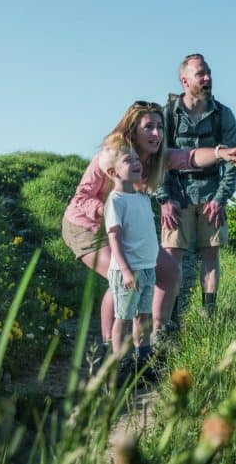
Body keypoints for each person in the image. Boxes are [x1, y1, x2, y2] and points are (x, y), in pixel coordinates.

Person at [62, 100, 236, 356]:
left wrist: (219, 153)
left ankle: (152, 339)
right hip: (87, 228)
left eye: (160, 127)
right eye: (149, 127)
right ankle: (110, 353)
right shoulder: (112, 155)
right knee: (122, 278)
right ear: (132, 129)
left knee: (170, 271)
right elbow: (81, 197)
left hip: (126, 229)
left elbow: (188, 158)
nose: (157, 134)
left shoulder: (156, 157)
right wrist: (102, 210)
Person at [155, 54, 236, 319]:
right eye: (200, 74)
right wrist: (163, 198)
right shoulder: (167, 114)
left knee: (210, 253)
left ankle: (208, 312)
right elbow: (157, 158)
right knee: (171, 255)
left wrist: (220, 199)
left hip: (210, 194)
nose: (207, 78)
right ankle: (170, 316)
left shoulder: (223, 114)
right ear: (184, 80)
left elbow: (233, 160)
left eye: (209, 73)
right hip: (176, 194)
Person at [99, 137, 156, 366]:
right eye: (127, 160)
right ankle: (119, 363)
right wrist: (125, 270)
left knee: (144, 316)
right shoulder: (116, 201)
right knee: (122, 317)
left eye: (136, 159)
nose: (136, 162)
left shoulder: (142, 197)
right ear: (113, 172)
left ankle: (142, 360)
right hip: (128, 271)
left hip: (147, 268)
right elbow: (114, 237)